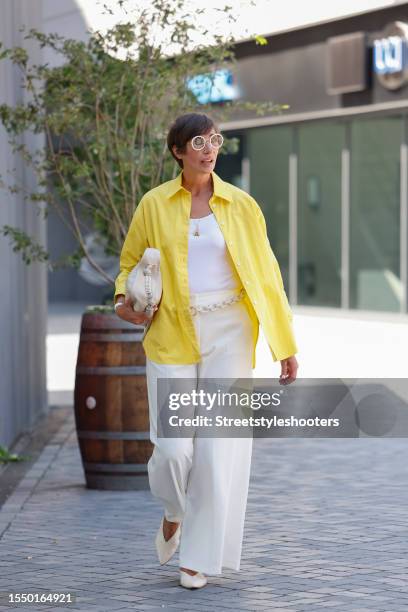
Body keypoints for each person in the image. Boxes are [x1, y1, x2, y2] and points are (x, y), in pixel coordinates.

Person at [114, 112, 299, 589]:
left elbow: (268, 275)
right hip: (171, 330)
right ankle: (174, 512)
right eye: (198, 140)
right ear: (178, 150)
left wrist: (285, 344)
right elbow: (131, 260)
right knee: (173, 450)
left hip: (231, 331)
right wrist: (123, 302)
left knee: (219, 451)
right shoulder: (154, 203)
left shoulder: (241, 205)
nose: (209, 147)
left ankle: (195, 557)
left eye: (214, 140)